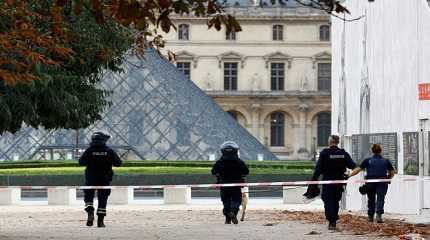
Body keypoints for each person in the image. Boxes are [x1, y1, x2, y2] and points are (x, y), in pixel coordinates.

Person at [310, 135, 357, 230]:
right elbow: (354, 166)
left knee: (328, 201)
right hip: (339, 182)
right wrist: (348, 175)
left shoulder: (324, 153)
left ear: (330, 142)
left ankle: (331, 220)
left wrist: (313, 181)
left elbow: (318, 169)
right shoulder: (343, 153)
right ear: (337, 142)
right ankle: (333, 221)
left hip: (327, 181)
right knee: (335, 201)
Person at [79, 132, 122, 228]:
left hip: (91, 178)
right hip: (105, 179)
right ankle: (100, 222)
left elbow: (81, 162)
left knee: (88, 196)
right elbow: (118, 163)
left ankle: (90, 212)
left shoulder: (89, 150)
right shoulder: (109, 151)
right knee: (103, 199)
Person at [349, 144, 395, 223]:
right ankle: (379, 216)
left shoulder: (367, 160)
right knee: (380, 199)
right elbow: (392, 171)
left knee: (371, 199)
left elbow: (358, 169)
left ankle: (370, 216)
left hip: (370, 183)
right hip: (382, 182)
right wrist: (388, 178)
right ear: (381, 151)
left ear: (372, 151)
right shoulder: (386, 161)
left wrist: (349, 175)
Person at [211, 141, 249, 224]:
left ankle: (227, 219)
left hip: (224, 185)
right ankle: (233, 212)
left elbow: (213, 171)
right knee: (236, 200)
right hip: (236, 185)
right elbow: (246, 171)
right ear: (235, 151)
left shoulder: (219, 162)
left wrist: (219, 174)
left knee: (226, 201)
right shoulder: (239, 162)